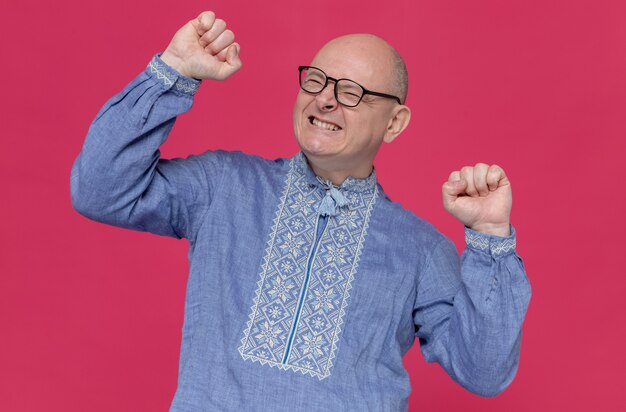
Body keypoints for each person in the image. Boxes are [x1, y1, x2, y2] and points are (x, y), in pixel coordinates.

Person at [71, 11, 531, 411]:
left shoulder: (420, 249)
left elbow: (484, 372)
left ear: (394, 123)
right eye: (316, 80)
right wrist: (174, 71)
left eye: (351, 91)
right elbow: (99, 189)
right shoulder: (224, 185)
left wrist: (491, 235)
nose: (325, 99)